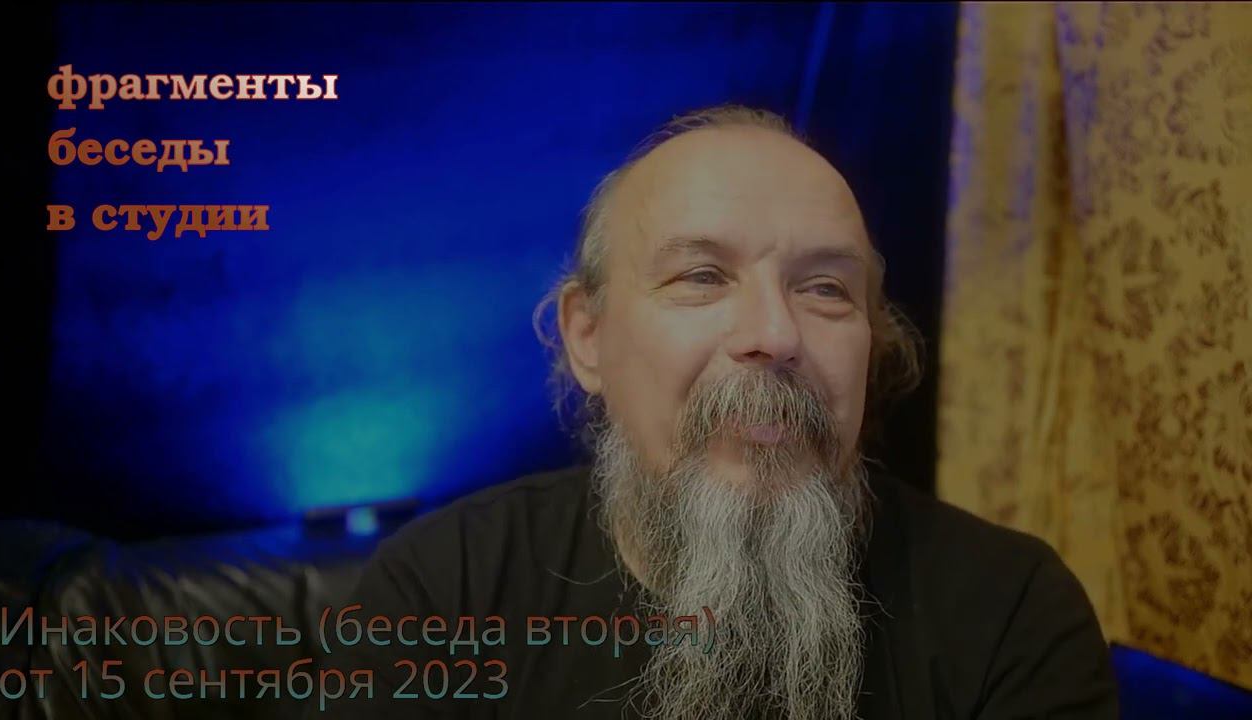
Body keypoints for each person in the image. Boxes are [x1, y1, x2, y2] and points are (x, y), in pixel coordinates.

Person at [316, 105, 1118, 719]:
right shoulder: (445, 591)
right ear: (588, 338)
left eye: (826, 289)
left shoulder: (1011, 613)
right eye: (701, 277)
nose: (775, 335)